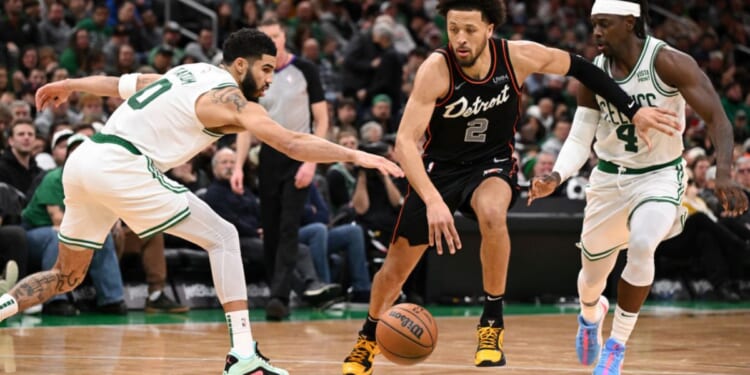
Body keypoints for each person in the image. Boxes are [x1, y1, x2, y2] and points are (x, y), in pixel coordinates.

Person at [1, 28, 400, 375]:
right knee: (223, 236)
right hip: (123, 166)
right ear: (241, 65)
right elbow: (292, 142)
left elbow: (121, 83)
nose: (269, 80)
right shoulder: (230, 99)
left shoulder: (184, 73)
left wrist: (71, 84)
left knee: (66, 275)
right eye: (265, 70)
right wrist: (355, 155)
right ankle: (243, 353)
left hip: (85, 160)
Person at [341, 0, 679, 374]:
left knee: (491, 213)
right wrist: (434, 201)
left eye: (470, 29)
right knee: (394, 270)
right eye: (453, 29)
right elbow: (405, 142)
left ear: (489, 28)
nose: (460, 39)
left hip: (492, 163)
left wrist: (633, 109)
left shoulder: (517, 56)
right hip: (439, 170)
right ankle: (367, 337)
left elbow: (583, 68)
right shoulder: (436, 69)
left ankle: (491, 324)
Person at [528, 1, 748, 374]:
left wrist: (722, 171)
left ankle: (617, 344)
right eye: (593, 24)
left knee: (644, 244)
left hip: (660, 175)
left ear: (630, 23)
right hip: (609, 181)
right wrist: (557, 175)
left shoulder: (667, 62)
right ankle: (590, 315)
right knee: (590, 282)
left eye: (604, 24)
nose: (595, 32)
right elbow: (581, 137)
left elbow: (717, 118)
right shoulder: (594, 72)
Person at [230, 17, 333, 321]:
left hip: (300, 152)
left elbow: (323, 119)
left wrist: (312, 161)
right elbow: (245, 125)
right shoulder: (254, 75)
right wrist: (238, 165)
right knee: (271, 229)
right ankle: (278, 288)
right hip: (268, 156)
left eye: (276, 35)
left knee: (289, 226)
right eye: (267, 36)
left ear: (285, 36)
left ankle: (279, 296)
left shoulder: (305, 70)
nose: (272, 41)